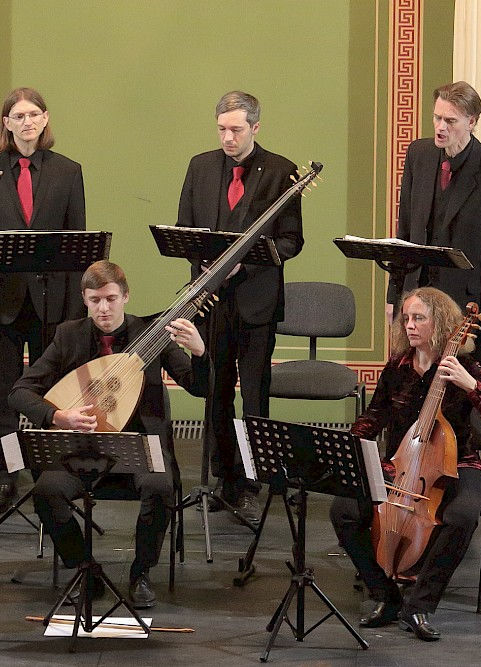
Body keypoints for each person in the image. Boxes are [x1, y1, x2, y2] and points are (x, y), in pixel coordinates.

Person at [9, 260, 209, 608]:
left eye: (111, 299)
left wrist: (200, 352)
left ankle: (141, 572)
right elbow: (20, 392)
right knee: (46, 492)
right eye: (94, 300)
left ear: (126, 296)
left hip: (139, 451)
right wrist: (60, 415)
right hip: (84, 450)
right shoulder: (68, 335)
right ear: (85, 300)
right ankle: (85, 569)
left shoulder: (153, 334)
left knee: (160, 488)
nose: (103, 308)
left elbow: (200, 388)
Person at [329, 288, 481, 641]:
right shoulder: (398, 367)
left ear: (440, 323)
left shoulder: (466, 367)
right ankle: (386, 595)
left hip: (459, 465)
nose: (410, 326)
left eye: (419, 318)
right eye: (407, 319)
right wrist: (350, 448)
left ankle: (420, 605)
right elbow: (375, 415)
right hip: (400, 465)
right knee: (344, 510)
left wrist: (470, 384)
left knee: (462, 516)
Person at [176, 91, 303, 521]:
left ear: (255, 128)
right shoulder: (201, 165)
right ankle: (225, 477)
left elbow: (291, 241)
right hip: (209, 300)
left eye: (236, 129)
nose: (227, 137)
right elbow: (185, 228)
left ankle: (256, 479)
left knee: (253, 395)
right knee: (214, 391)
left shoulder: (281, 171)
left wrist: (242, 263)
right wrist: (204, 262)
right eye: (221, 129)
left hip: (255, 302)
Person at [0, 87, 86, 514]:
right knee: (5, 394)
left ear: (45, 119)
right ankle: (6, 476)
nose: (27, 122)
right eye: (18, 115)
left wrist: (77, 314)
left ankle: (47, 476)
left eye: (34, 114)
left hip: (54, 304)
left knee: (50, 394)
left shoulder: (68, 171)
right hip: (3, 304)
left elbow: (78, 247)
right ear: (6, 123)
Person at [389, 81, 481, 370]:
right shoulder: (418, 155)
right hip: (417, 302)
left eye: (450, 121)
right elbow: (406, 234)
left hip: (466, 308)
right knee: (408, 393)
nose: (440, 127)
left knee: (459, 402)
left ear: (471, 122)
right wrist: (393, 296)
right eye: (437, 117)